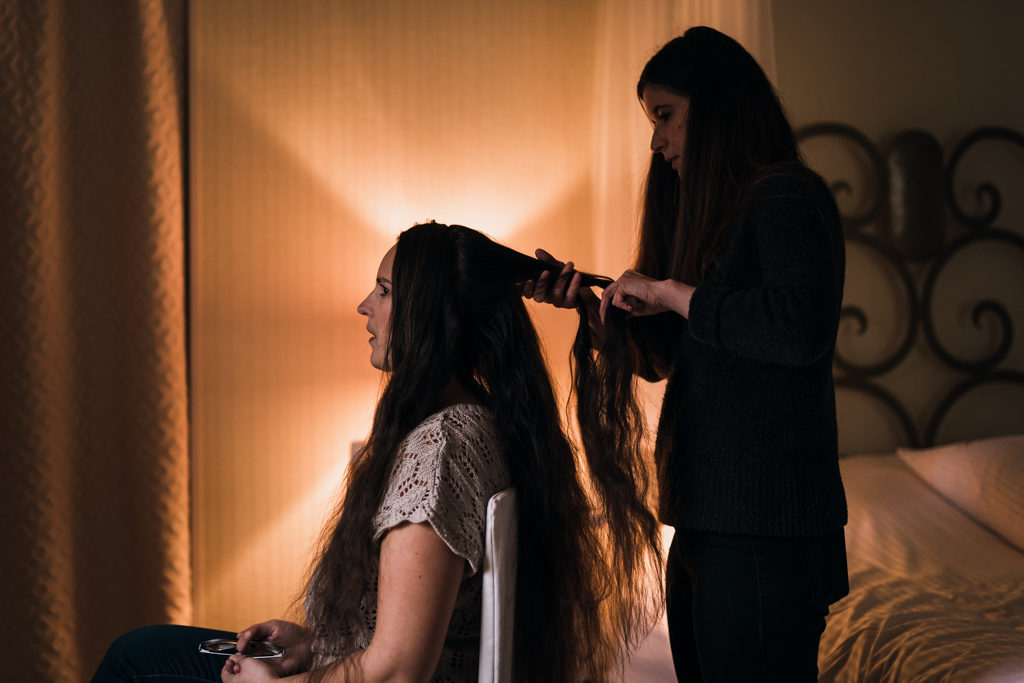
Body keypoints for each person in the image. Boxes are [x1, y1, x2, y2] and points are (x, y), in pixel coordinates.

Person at [91, 222, 660, 683]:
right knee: (146, 650)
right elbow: (420, 633)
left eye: (385, 291)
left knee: (137, 660)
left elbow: (396, 669)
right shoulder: (481, 422)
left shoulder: (441, 452)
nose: (365, 306)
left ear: (433, 316)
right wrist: (313, 647)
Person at [526, 26, 849, 682]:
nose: (656, 140)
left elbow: (796, 329)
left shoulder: (788, 196)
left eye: (666, 117)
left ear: (719, 107)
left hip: (765, 529)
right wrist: (593, 310)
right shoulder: (716, 216)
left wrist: (672, 291)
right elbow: (664, 358)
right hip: (706, 516)